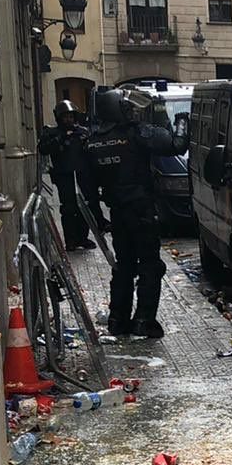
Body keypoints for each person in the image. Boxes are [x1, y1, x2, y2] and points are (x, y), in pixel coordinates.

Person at [77, 86, 188, 338]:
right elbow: (176, 145)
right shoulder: (136, 134)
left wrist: (97, 217)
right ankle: (144, 320)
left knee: (124, 266)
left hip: (118, 212)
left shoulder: (92, 142)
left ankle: (118, 319)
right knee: (150, 266)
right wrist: (179, 120)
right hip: (141, 209)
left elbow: (87, 187)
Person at [39, 100, 91, 249]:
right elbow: (43, 148)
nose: (69, 120)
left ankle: (83, 237)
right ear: (59, 118)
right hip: (64, 176)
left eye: (71, 116)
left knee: (84, 207)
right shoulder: (53, 133)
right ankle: (71, 240)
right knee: (68, 209)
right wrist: (61, 139)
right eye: (65, 117)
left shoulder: (82, 132)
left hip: (82, 175)